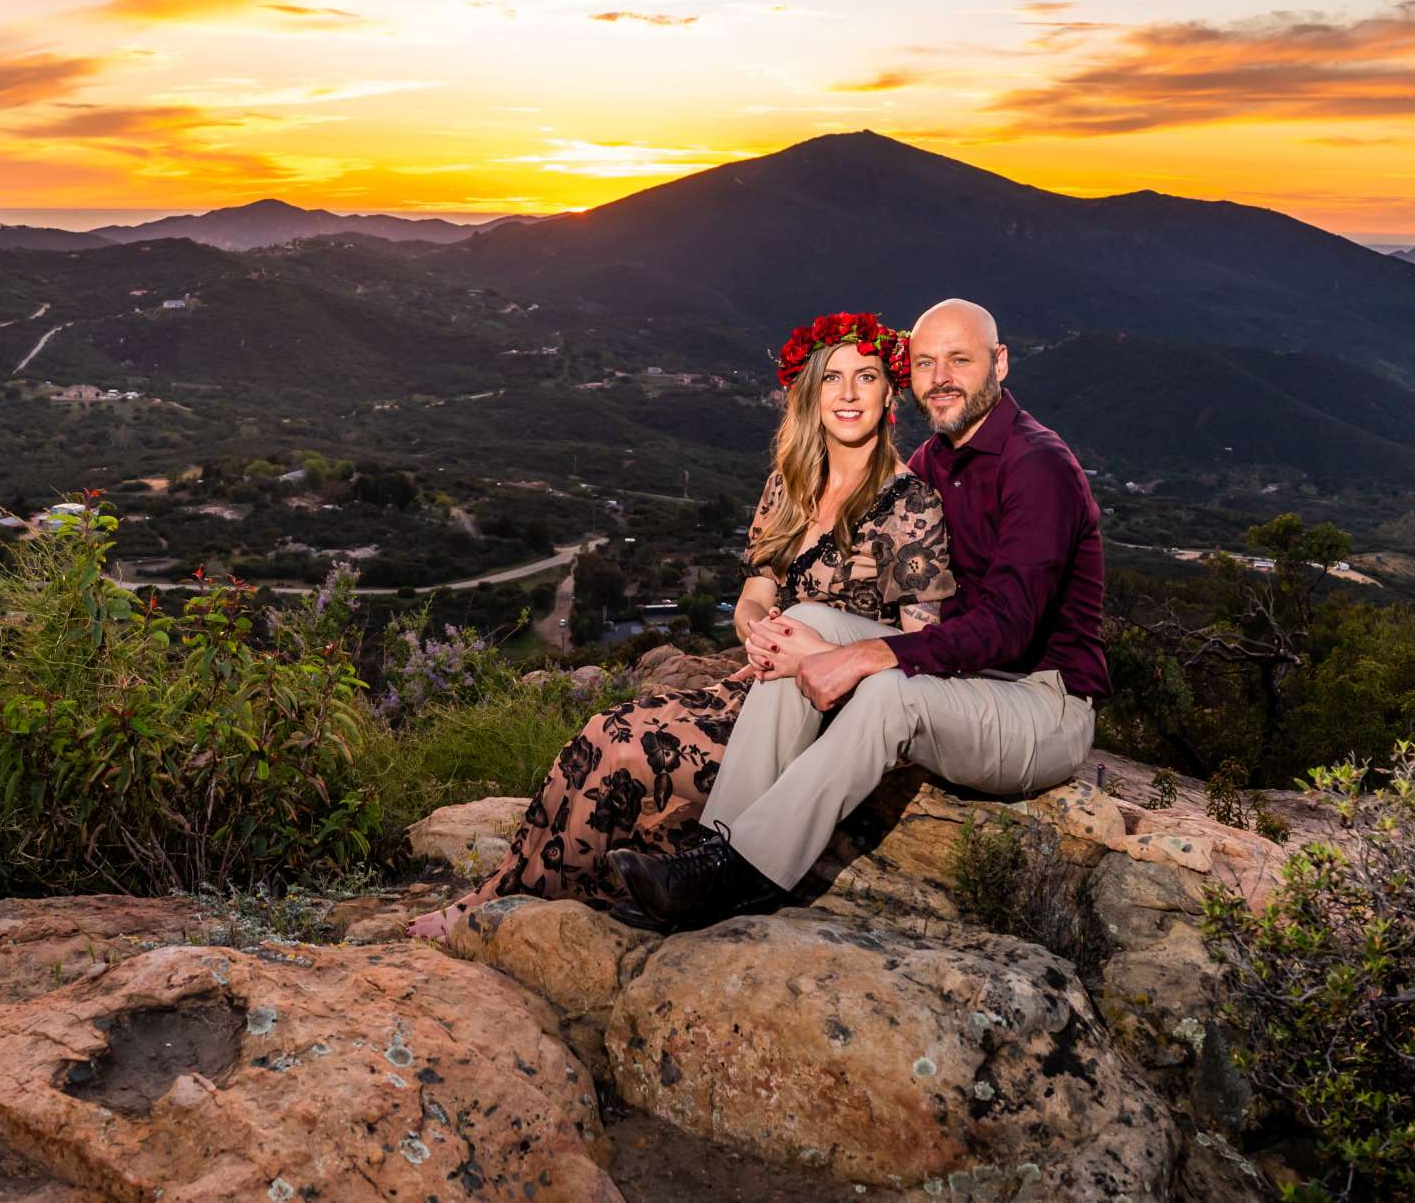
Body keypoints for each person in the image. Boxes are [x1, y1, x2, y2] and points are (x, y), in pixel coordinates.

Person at [405, 310, 954, 941]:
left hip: (834, 712)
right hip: (761, 687)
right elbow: (754, 598)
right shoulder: (790, 486)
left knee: (630, 753)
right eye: (833, 378)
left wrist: (816, 647)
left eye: (867, 377)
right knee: (601, 729)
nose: (849, 394)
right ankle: (500, 895)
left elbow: (920, 647)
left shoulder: (909, 503)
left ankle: (501, 914)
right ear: (811, 392)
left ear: (890, 393)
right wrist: (757, 632)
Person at [609, 298, 1104, 930]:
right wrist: (807, 643)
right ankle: (715, 848)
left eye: (961, 359)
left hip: (1041, 702)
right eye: (926, 362)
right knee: (803, 622)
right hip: (966, 680)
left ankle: (741, 876)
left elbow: (1010, 625)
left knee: (887, 695)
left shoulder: (1037, 466)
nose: (942, 376)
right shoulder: (932, 466)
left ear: (999, 363)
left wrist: (862, 656)